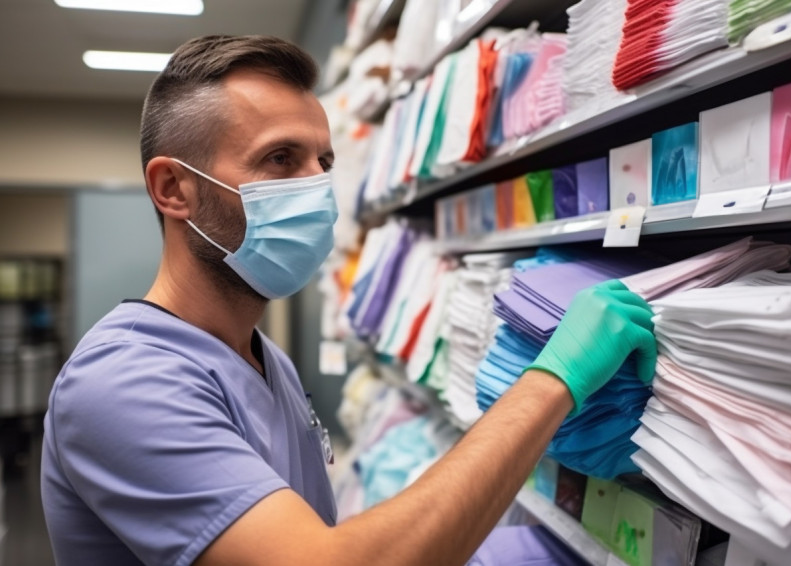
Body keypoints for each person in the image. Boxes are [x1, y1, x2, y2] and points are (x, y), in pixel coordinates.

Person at [41, 35, 657, 566]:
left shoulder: (264, 360)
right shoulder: (123, 381)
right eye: (281, 159)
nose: (317, 188)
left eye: (324, 161)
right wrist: (554, 377)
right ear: (173, 188)